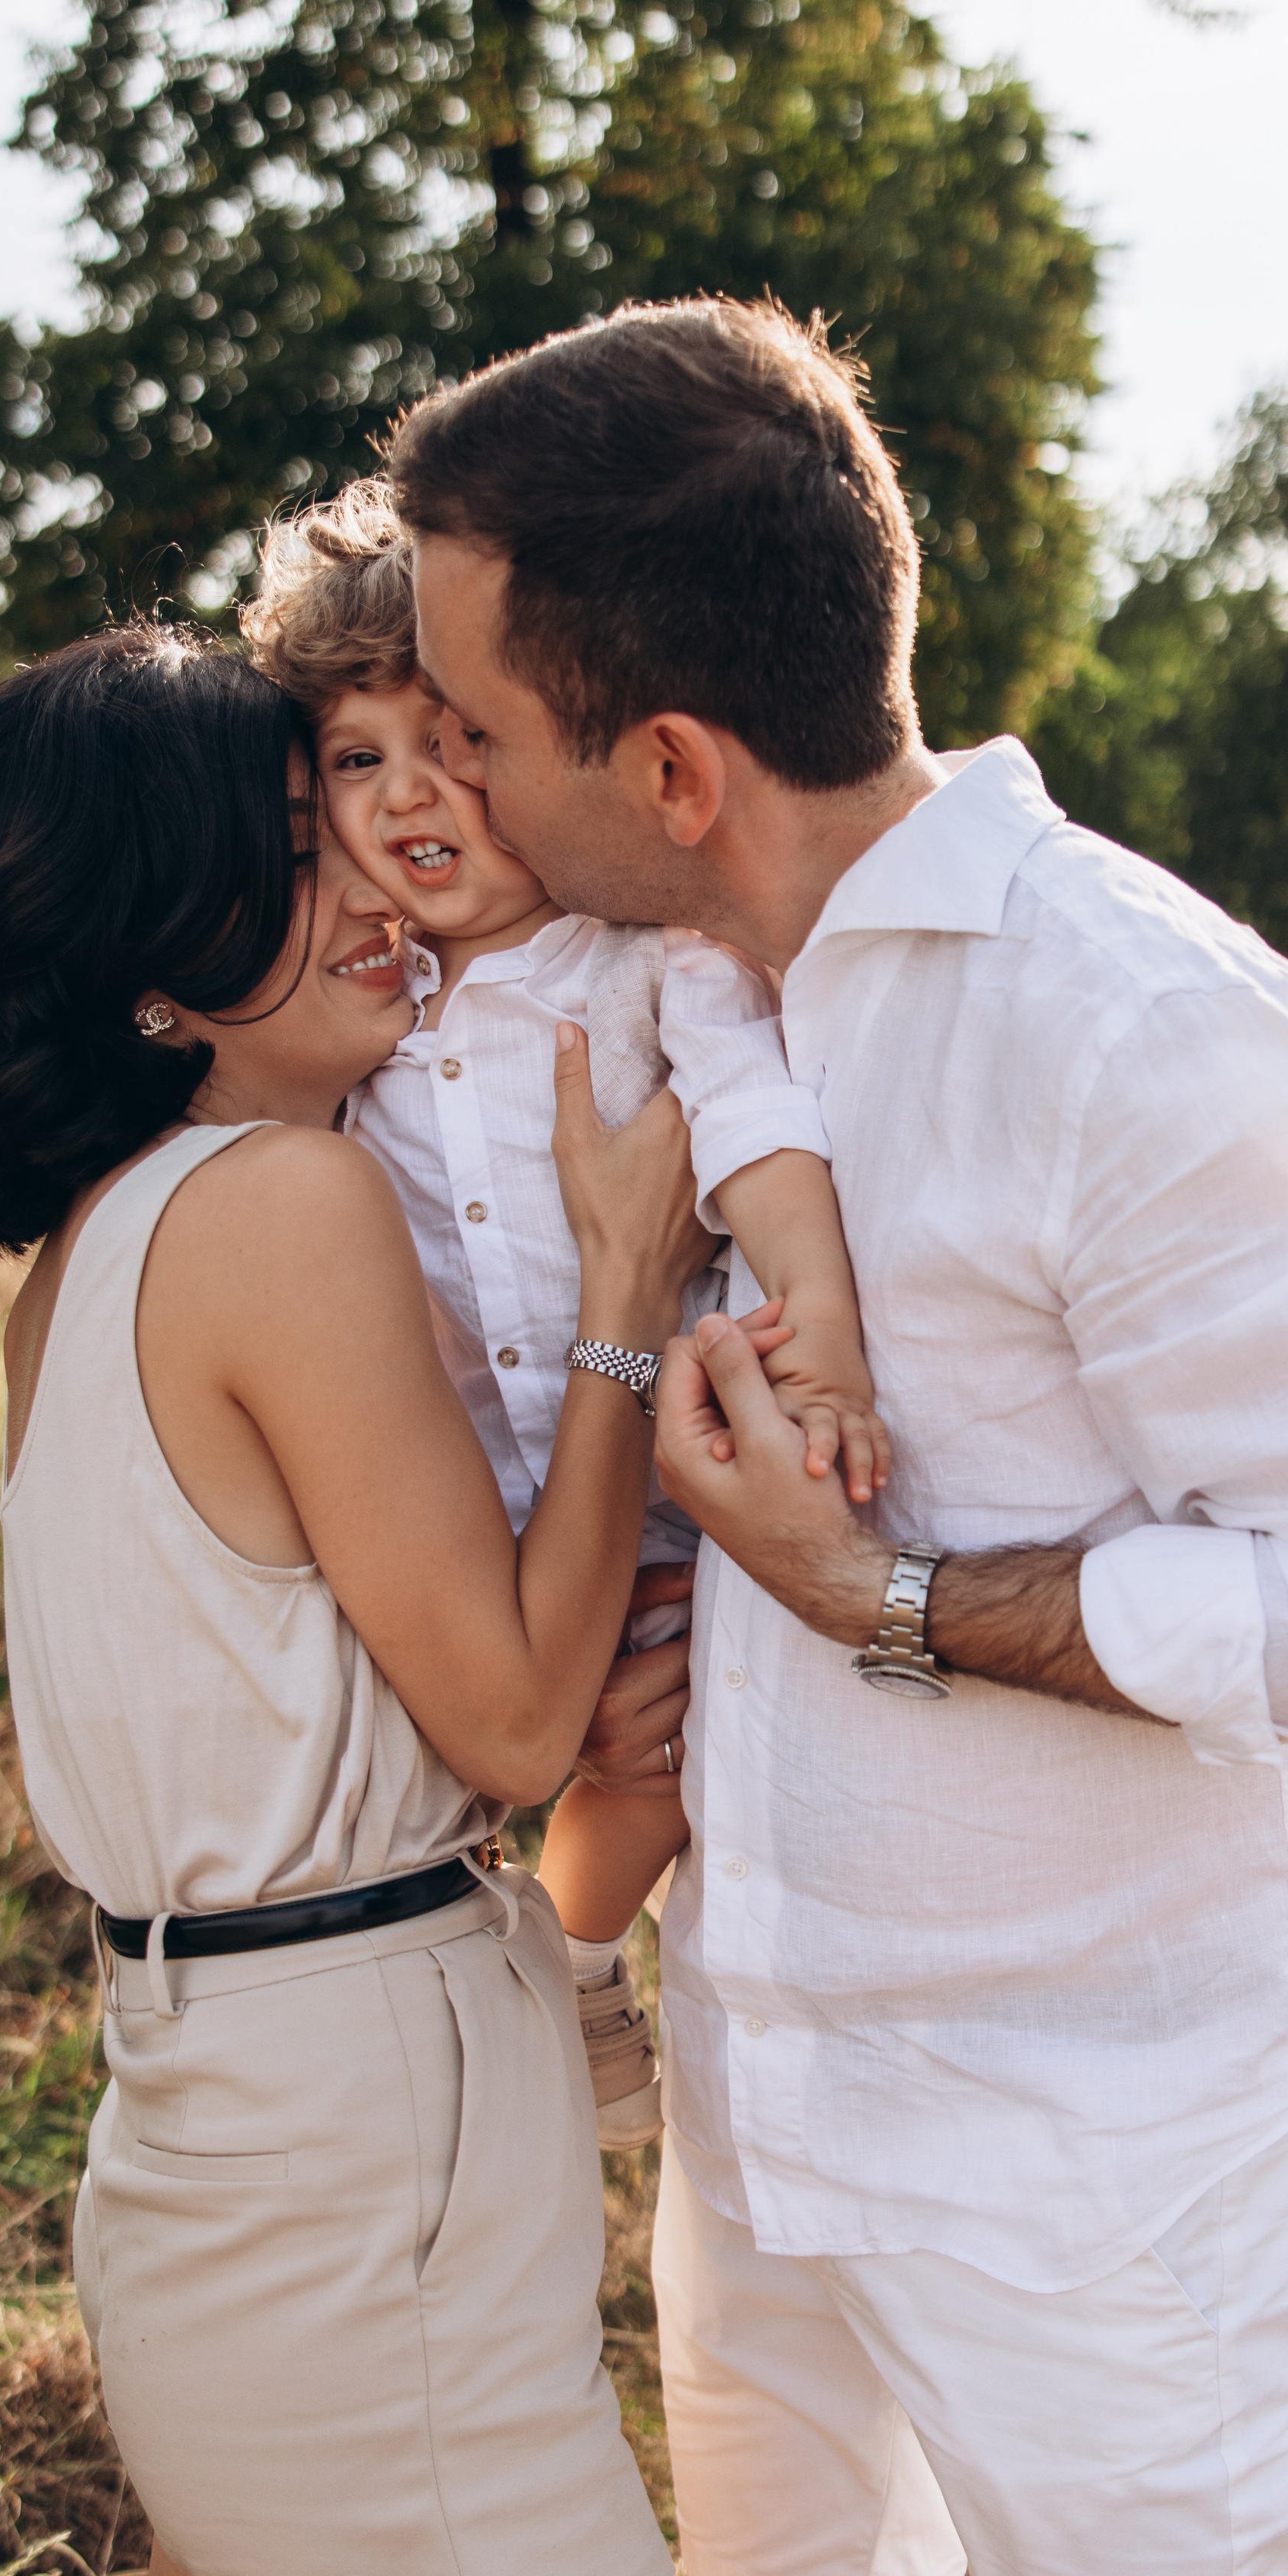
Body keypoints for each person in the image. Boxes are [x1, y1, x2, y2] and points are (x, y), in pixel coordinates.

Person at [386, 299, 1288, 2576]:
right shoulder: (676, 988)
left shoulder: (1139, 1030)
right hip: (761, 2075)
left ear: (678, 762)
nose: (461, 792)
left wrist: (884, 1592)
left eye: (484, 732)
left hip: (1086, 2161)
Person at [0, 624, 687, 2576]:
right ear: (153, 949)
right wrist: (626, 1302)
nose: (383, 882)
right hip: (345, 2128)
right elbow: (506, 1709)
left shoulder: (99, 1245)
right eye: (303, 845)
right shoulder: (280, 1204)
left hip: (223, 2109)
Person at [242, 479, 887, 2145]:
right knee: (562, 1733)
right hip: (493, 1519)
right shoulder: (362, 1009)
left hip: (676, 1474)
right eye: (355, 759)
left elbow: (749, 1126)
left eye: (449, 738)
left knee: (667, 1739)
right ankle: (546, 1974)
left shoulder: (641, 955)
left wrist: (812, 1302)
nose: (411, 793)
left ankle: (586, 1959)